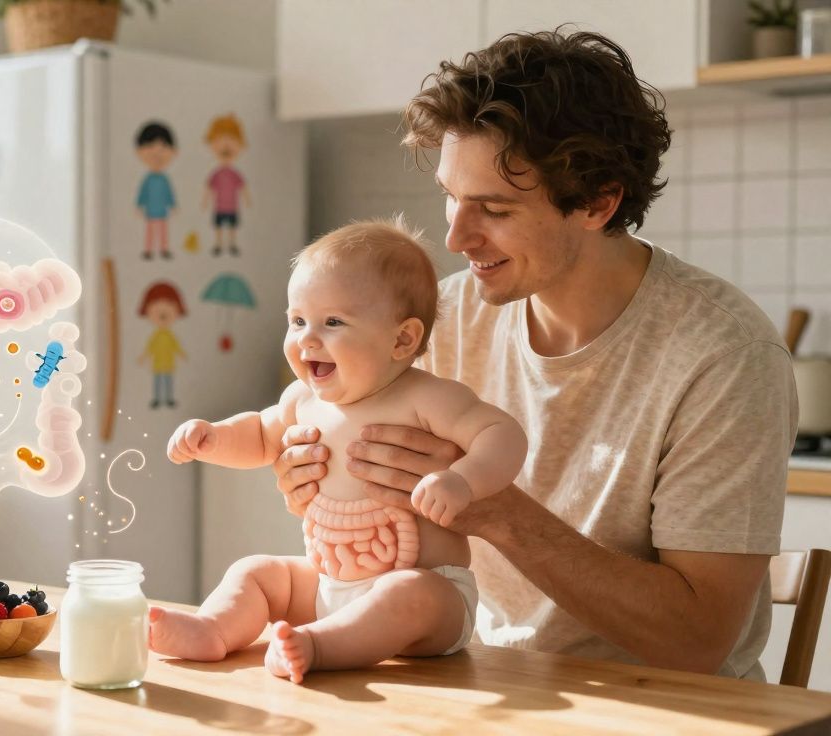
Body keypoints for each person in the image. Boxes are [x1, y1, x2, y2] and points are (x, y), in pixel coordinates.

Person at [271, 30, 797, 680]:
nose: (456, 236)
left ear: (598, 203)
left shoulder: (722, 355)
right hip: (485, 679)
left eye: (492, 208)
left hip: (667, 708)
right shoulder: (444, 317)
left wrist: (499, 511)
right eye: (451, 196)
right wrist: (317, 472)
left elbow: (697, 641)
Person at [150, 219, 527, 683]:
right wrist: (213, 436)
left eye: (332, 322)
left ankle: (319, 646)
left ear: (402, 339)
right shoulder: (302, 399)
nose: (307, 338)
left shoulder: (427, 398)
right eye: (297, 320)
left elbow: (502, 434)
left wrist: (463, 480)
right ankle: (214, 628)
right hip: (328, 580)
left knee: (408, 592)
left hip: (431, 596)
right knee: (258, 571)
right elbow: (261, 435)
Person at [202, 114, 250, 257]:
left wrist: (247, 200)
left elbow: (243, 187)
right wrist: (205, 201)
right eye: (220, 140)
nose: (226, 145)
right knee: (219, 226)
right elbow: (209, 187)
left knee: (232, 227)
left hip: (232, 207)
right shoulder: (216, 174)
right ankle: (218, 244)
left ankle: (232, 244)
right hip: (219, 207)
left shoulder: (235, 174)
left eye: (231, 139)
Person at [137, 281, 187, 409]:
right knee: (158, 383)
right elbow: (150, 348)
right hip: (158, 365)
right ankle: (158, 399)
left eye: (169, 304)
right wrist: (143, 357)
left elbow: (176, 347)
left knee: (168, 382)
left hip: (168, 364)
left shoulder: (170, 335)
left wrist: (182, 354)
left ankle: (169, 398)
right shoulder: (156, 336)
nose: (163, 310)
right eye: (155, 305)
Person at [135, 121, 178, 260]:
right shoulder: (148, 179)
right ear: (139, 151)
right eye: (151, 146)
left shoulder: (164, 179)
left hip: (162, 211)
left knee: (163, 231)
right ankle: (148, 250)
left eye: (162, 147)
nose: (156, 153)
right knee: (150, 231)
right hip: (150, 211)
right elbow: (143, 193)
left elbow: (169, 194)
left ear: (173, 151)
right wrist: (139, 205)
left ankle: (164, 249)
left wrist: (172, 205)